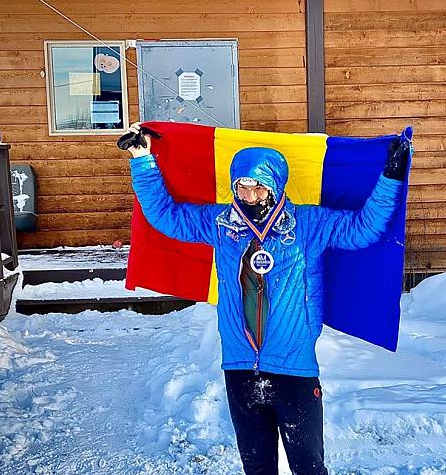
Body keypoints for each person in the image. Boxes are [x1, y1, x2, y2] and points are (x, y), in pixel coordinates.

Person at [124, 122, 411, 474]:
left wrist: (391, 175)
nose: (249, 196)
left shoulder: (308, 224)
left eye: (258, 187)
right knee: (258, 470)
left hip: (294, 370)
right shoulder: (221, 224)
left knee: (309, 468)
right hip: (240, 368)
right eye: (242, 187)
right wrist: (142, 159)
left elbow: (364, 228)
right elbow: (166, 216)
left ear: (275, 185)